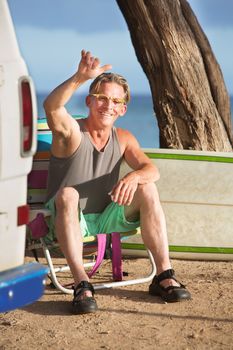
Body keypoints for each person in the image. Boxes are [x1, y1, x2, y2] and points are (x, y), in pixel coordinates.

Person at [43, 50, 191, 315]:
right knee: (67, 194)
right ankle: (81, 283)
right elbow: (52, 107)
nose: (107, 106)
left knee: (147, 187)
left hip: (107, 216)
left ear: (122, 109)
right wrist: (79, 78)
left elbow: (151, 169)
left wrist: (133, 176)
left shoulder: (123, 137)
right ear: (89, 101)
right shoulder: (72, 133)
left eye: (115, 101)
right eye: (101, 98)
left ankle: (164, 275)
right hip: (66, 220)